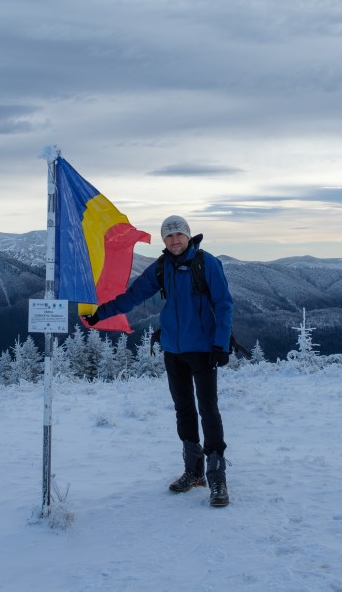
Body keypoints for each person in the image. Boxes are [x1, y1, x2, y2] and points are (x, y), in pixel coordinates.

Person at [85, 215, 234, 507]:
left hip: (203, 350)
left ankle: (217, 477)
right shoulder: (162, 267)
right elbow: (133, 296)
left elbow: (225, 304)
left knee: (208, 410)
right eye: (169, 236)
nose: (175, 240)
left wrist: (220, 343)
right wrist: (101, 313)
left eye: (179, 234)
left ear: (188, 236)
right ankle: (193, 472)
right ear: (164, 241)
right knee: (184, 410)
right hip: (173, 350)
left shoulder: (207, 263)